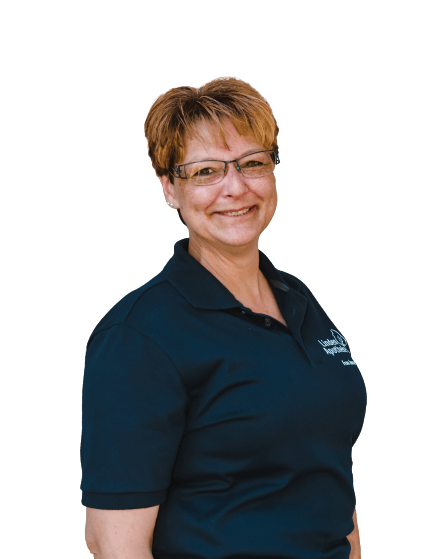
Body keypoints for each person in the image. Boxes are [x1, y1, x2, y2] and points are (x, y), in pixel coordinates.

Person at [81, 76, 366, 559]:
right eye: (206, 171)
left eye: (252, 163)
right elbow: (113, 543)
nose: (235, 187)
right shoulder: (138, 336)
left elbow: (329, 471)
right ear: (170, 189)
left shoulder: (299, 299)